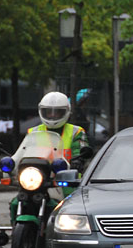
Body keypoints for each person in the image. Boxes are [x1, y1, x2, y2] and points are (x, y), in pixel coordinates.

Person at [9, 92, 89, 222]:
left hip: (65, 180)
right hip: (38, 178)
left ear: (67, 112)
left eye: (57, 112)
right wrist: (11, 163)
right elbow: (22, 152)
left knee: (69, 207)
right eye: (48, 112)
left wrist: (78, 160)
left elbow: (80, 149)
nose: (52, 115)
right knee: (16, 202)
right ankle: (14, 227)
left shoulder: (76, 132)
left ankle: (65, 230)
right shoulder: (33, 132)